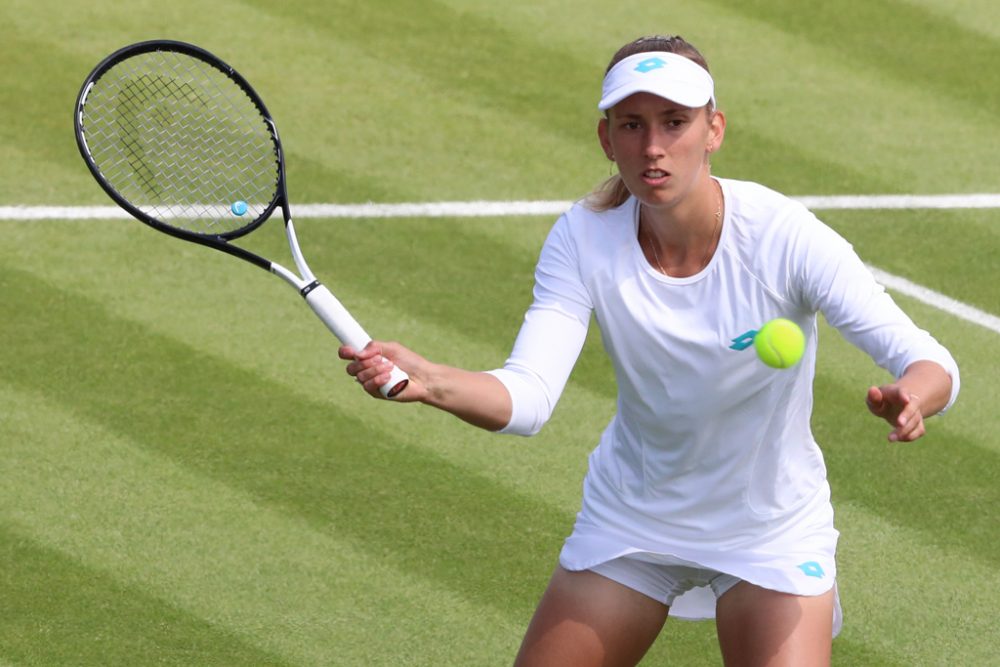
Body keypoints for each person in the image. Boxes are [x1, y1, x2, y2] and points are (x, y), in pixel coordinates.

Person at [339, 35, 960, 667]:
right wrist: (432, 382)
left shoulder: (783, 237)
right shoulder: (583, 237)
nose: (653, 146)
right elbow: (526, 399)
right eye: (632, 125)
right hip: (633, 523)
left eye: (675, 122)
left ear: (713, 129)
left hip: (767, 531)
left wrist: (913, 396)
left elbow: (932, 362)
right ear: (607, 139)